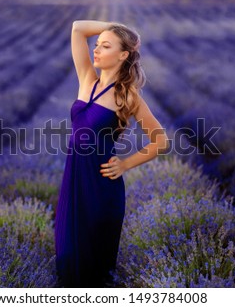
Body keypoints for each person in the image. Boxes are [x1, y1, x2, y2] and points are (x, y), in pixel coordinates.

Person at [54, 20, 170, 288]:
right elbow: (77, 28)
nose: (96, 50)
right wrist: (116, 27)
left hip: (101, 190)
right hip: (73, 185)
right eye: (97, 45)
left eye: (105, 46)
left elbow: (161, 140)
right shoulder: (86, 79)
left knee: (95, 269)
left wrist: (126, 163)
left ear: (123, 55)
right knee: (67, 259)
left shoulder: (128, 97)